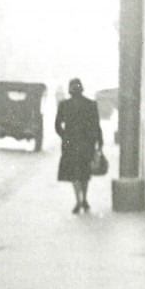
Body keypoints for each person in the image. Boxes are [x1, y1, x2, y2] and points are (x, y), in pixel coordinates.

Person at [54, 77, 103, 214]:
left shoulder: (64, 105)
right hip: (87, 144)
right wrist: (99, 144)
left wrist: (65, 136)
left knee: (74, 174)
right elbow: (96, 127)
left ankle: (78, 201)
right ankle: (85, 199)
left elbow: (57, 126)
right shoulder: (91, 104)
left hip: (70, 144)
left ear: (70, 90)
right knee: (84, 173)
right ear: (82, 89)